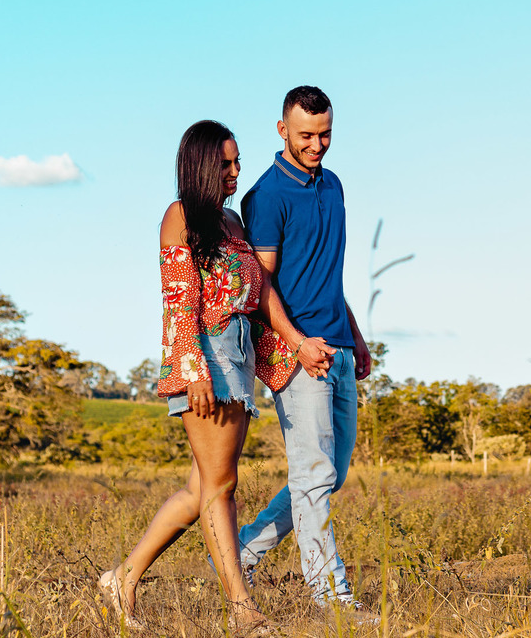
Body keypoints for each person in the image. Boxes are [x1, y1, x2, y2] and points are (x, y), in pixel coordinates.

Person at [99, 120, 313, 634]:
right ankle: (241, 607)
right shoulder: (179, 218)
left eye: (237, 162)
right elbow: (179, 301)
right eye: (225, 163)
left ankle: (120, 578)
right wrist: (194, 371)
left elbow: (259, 296)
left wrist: (296, 348)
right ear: (200, 165)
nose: (236, 171)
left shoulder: (234, 223)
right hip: (207, 357)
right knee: (222, 487)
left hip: (238, 356)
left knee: (202, 488)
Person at [236, 85, 374, 615]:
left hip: (337, 346)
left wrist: (353, 336)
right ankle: (331, 598)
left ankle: (245, 549)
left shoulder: (333, 185)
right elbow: (262, 286)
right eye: (306, 136)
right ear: (281, 132)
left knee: (330, 475)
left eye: (326, 134)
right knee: (313, 477)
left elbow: (326, 273)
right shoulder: (267, 196)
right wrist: (299, 344)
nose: (317, 145)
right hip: (299, 357)